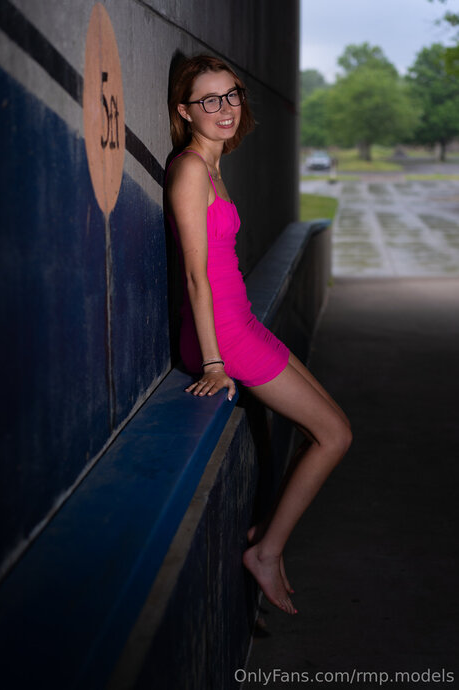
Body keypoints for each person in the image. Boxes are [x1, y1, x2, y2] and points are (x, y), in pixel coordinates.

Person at [165, 55, 352, 615]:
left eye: (231, 95)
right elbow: (195, 276)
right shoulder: (190, 169)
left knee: (331, 427)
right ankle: (265, 552)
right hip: (224, 337)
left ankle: (265, 537)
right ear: (185, 111)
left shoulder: (214, 164)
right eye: (209, 100)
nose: (224, 108)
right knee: (334, 436)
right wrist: (213, 363)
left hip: (241, 321)